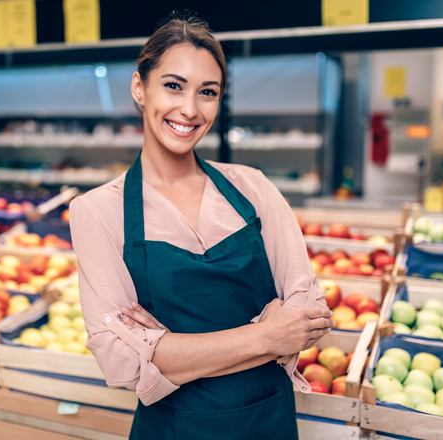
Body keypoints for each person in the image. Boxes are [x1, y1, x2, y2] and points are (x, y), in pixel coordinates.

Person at [69, 11, 334, 440]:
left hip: (269, 423)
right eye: (173, 85)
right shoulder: (97, 211)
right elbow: (123, 361)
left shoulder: (253, 188)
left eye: (207, 92)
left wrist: (170, 350)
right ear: (140, 87)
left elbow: (309, 318)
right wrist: (267, 336)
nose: (189, 110)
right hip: (174, 429)